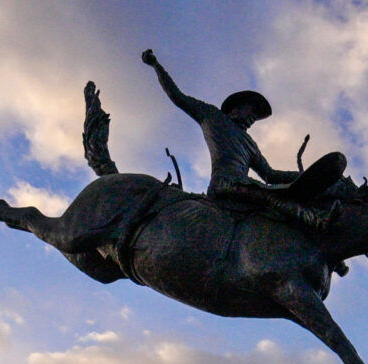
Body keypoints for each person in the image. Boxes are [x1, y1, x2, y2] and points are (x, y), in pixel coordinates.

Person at [141, 49, 340, 234]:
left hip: (245, 185)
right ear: (235, 108)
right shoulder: (212, 116)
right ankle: (318, 223)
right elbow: (178, 96)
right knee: (271, 196)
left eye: (256, 115)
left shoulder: (250, 143)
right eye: (251, 110)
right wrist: (156, 65)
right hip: (225, 184)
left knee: (281, 206)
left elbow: (269, 174)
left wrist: (303, 175)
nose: (253, 116)